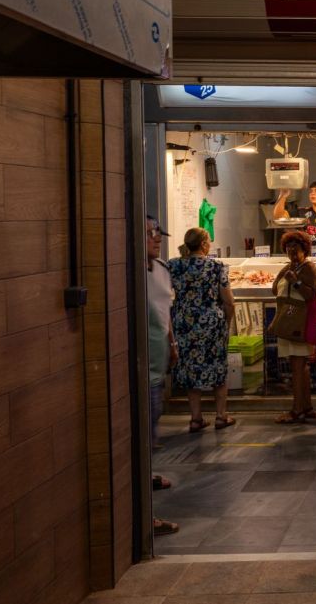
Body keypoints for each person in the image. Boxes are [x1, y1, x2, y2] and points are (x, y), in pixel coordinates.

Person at [168, 228, 236, 433]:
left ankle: (196, 418)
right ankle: (221, 415)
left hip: (184, 323)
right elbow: (228, 301)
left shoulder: (174, 265)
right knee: (217, 367)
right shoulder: (216, 267)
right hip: (211, 324)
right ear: (205, 244)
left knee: (190, 367)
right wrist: (227, 323)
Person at [145, 216, 178, 537]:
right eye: (151, 235)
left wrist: (172, 343)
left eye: (157, 234)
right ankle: (144, 515)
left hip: (158, 362)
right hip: (140, 368)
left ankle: (147, 474)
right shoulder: (128, 273)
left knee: (152, 428)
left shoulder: (163, 270)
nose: (157, 240)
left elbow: (163, 312)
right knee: (142, 433)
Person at [272, 231, 316, 424]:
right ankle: (307, 407)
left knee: (297, 367)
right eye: (288, 247)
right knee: (302, 368)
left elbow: (311, 295)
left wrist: (296, 282)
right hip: (288, 322)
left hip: (299, 324)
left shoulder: (308, 268)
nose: (292, 251)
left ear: (304, 249)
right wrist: (284, 276)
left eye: (296, 247)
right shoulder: (288, 267)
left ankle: (296, 410)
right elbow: (275, 288)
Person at [274, 180, 316, 254]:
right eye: (311, 191)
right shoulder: (301, 212)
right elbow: (278, 216)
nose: (312, 193)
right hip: (306, 258)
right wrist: (283, 196)